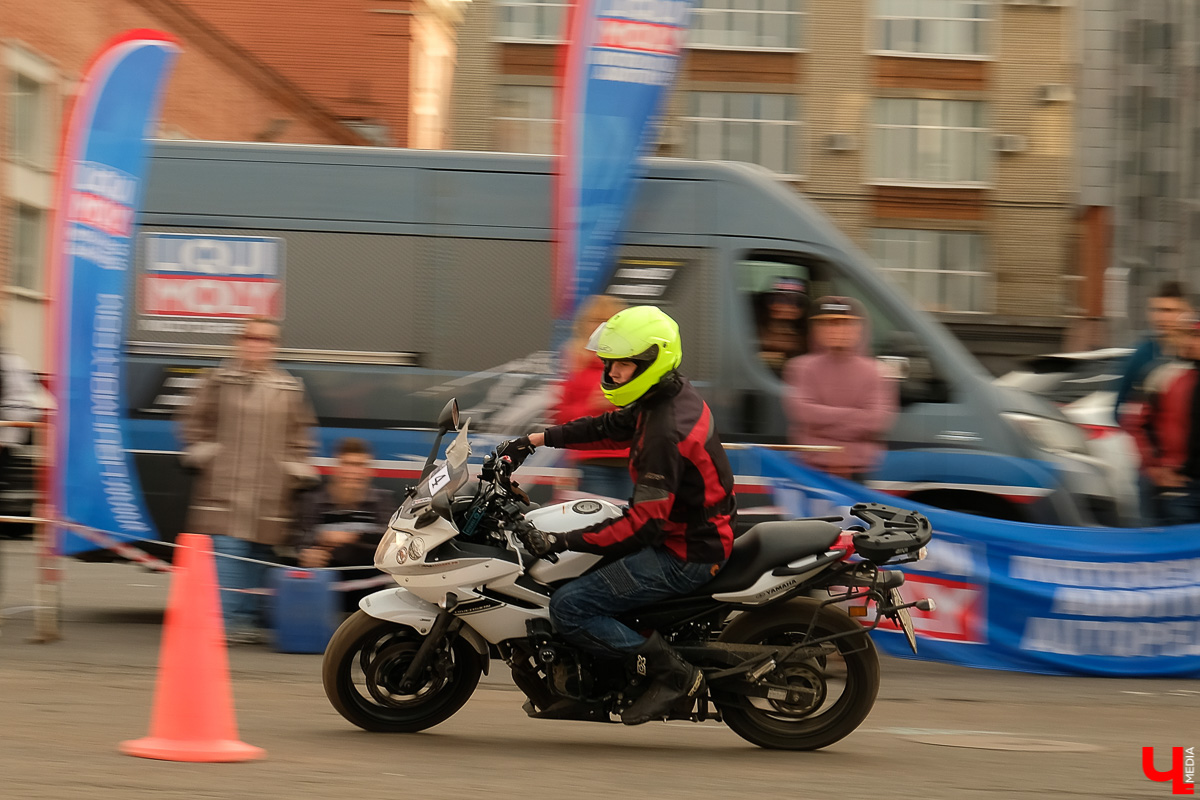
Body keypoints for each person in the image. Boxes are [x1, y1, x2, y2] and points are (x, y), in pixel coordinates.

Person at [498, 305, 735, 726]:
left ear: (651, 361)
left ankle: (674, 675)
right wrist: (535, 439)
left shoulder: (665, 431)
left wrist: (560, 542)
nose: (611, 372)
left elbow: (644, 525)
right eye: (609, 362)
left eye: (622, 364)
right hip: (687, 532)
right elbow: (608, 425)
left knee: (570, 606)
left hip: (685, 553)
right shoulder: (665, 395)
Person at [178, 317, 318, 644]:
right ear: (239, 342)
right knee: (228, 558)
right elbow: (193, 422)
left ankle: (244, 621)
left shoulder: (287, 388)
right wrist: (208, 453)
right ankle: (222, 625)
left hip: (270, 498)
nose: (258, 344)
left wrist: (292, 467)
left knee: (257, 561)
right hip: (222, 496)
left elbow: (301, 437)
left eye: (266, 339)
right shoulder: (217, 381)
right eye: (252, 338)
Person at [782, 296, 897, 482]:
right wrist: (854, 418)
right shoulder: (801, 368)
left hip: (858, 471)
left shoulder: (876, 372)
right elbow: (803, 413)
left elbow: (877, 421)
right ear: (816, 330)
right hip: (810, 467)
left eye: (844, 323)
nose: (836, 330)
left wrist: (822, 426)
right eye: (828, 324)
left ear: (859, 329)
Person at [294, 437, 395, 611]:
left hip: (370, 589)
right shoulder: (314, 501)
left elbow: (390, 541)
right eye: (348, 464)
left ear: (369, 471)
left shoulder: (381, 501)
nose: (353, 471)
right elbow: (300, 539)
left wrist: (352, 536)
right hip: (326, 586)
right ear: (337, 467)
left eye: (360, 465)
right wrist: (307, 554)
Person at [554, 294, 631, 500]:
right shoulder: (576, 365)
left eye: (609, 321)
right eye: (596, 321)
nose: (602, 327)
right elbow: (562, 418)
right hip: (594, 462)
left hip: (634, 461)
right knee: (602, 526)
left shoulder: (635, 363)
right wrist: (593, 407)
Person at [1128, 323, 1193, 525]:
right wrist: (1155, 468)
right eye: (1185, 334)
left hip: (1185, 480)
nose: (1189, 341)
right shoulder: (1160, 374)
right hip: (1159, 479)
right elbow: (1136, 422)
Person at [1115, 281, 1192, 425]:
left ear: (1186, 312)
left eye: (1169, 310)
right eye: (1155, 310)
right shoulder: (1141, 355)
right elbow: (1120, 407)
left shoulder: (1193, 352)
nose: (1160, 317)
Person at [754, 276, 808, 376]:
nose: (788, 307)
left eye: (797, 303)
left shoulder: (806, 338)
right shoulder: (755, 332)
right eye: (780, 300)